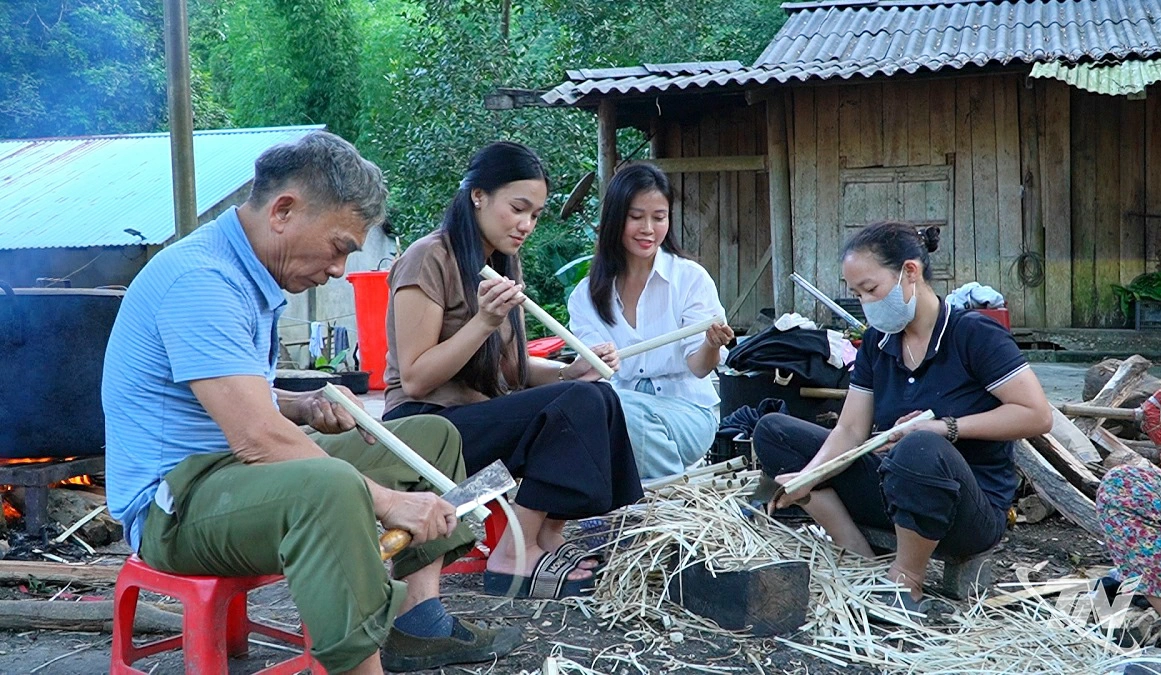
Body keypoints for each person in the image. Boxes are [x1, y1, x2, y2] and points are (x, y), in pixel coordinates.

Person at [103, 131, 520, 675]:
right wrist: (389, 503)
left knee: (429, 435)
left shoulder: (249, 274)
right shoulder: (201, 281)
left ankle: (417, 625)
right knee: (331, 485)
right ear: (283, 211)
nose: (341, 269)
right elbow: (256, 438)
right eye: (341, 245)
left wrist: (296, 406)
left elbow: (225, 394)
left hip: (232, 475)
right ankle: (358, 665)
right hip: (175, 503)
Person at [381, 141, 643, 599]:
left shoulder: (499, 264)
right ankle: (512, 555)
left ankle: (547, 538)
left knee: (597, 394)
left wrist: (569, 371)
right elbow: (417, 376)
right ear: (478, 195)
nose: (527, 225)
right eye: (518, 209)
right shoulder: (428, 258)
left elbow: (510, 371)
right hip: (423, 427)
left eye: (536, 215)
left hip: (476, 418)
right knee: (579, 402)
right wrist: (484, 321)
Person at [754, 221, 1053, 616]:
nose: (866, 303)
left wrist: (944, 428)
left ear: (909, 272)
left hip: (968, 510)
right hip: (896, 491)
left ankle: (906, 581)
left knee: (919, 447)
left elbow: (1037, 415)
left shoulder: (972, 334)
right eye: (858, 294)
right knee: (774, 431)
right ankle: (858, 561)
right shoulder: (879, 341)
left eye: (872, 289)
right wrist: (809, 473)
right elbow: (849, 429)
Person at [567, 163, 733, 479]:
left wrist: (711, 345)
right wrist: (594, 364)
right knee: (603, 404)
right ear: (616, 218)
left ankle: (667, 506)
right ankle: (670, 495)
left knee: (620, 410)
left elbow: (699, 367)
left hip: (687, 413)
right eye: (636, 217)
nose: (648, 229)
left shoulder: (690, 279)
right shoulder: (584, 296)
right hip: (620, 414)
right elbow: (595, 375)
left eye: (659, 217)